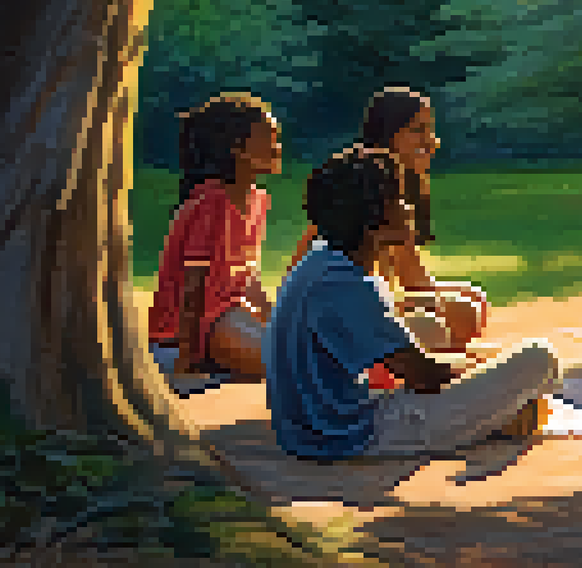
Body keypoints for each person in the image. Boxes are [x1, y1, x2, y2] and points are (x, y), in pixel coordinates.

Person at [266, 146, 558, 461]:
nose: (408, 208)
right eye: (399, 202)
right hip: (358, 433)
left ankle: (505, 417)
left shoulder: (324, 262)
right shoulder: (344, 283)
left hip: (317, 428)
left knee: (459, 353)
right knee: (539, 358)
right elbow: (425, 377)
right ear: (373, 222)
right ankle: (504, 417)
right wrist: (477, 369)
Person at [288, 88, 485, 357]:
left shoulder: (398, 184)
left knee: (470, 302)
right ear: (389, 134)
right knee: (459, 313)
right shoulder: (361, 185)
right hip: (334, 312)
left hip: (363, 302)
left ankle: (434, 357)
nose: (433, 141)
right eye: (419, 131)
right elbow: (413, 281)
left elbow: (409, 274)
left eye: (430, 130)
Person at [149, 93, 280, 379]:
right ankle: (181, 362)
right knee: (288, 368)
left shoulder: (258, 201)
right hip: (191, 333)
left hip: (229, 316)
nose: (277, 147)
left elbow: (249, 280)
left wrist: (278, 321)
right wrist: (187, 363)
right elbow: (191, 290)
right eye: (268, 137)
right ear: (237, 148)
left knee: (296, 353)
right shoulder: (210, 204)